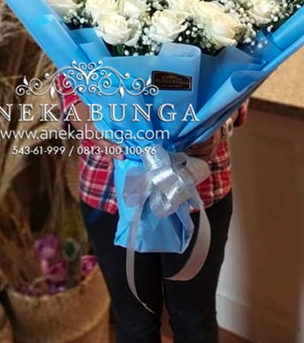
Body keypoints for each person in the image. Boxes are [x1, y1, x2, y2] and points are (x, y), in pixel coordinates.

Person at [60, 91, 247, 343]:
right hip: (109, 187)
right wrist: (92, 127)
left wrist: (221, 126)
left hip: (198, 182)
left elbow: (238, 79)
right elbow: (67, 82)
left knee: (194, 318)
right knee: (134, 322)